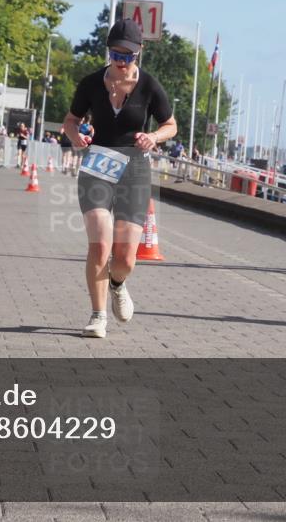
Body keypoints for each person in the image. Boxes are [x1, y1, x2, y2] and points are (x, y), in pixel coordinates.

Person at [64, 18, 178, 338]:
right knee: (100, 245)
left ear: (138, 53)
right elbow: (71, 120)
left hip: (135, 167)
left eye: (127, 56)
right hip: (98, 163)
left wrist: (154, 136)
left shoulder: (150, 86)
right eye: (115, 54)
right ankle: (98, 315)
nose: (120, 62)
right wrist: (76, 137)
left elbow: (171, 125)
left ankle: (117, 283)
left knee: (125, 257)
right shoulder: (90, 83)